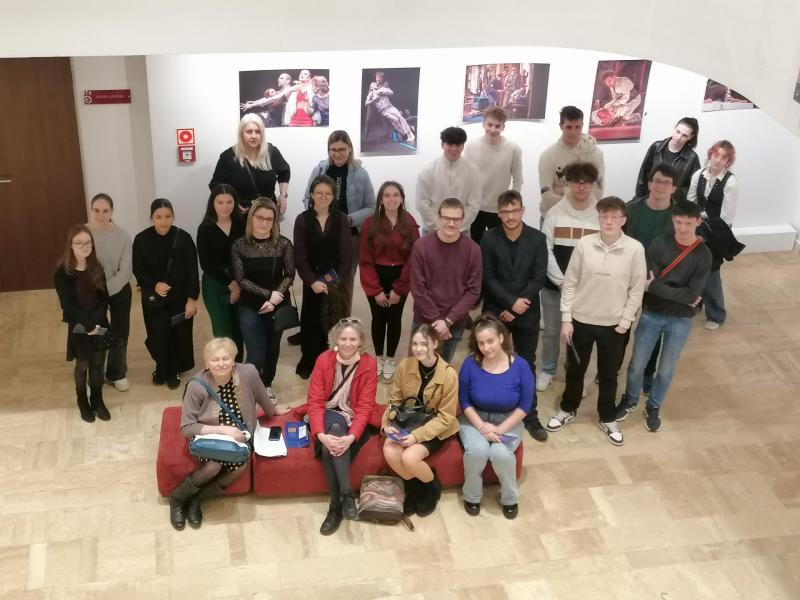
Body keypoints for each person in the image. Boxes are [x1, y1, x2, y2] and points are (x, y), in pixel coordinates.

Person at [546, 197, 646, 446]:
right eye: (604, 216)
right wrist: (567, 319)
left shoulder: (635, 249)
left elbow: (636, 290)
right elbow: (570, 283)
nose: (609, 221)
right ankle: (568, 408)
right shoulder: (584, 244)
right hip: (580, 320)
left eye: (614, 217)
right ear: (598, 218)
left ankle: (607, 417)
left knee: (609, 374)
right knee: (575, 370)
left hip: (614, 326)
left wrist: (625, 322)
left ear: (623, 220)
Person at [171, 337, 289, 530]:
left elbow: (261, 394)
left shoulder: (248, 372)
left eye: (225, 358)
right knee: (213, 467)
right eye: (215, 359)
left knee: (241, 464)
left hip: (241, 436)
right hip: (209, 435)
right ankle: (178, 498)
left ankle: (198, 501)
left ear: (233, 360)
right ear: (206, 363)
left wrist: (273, 410)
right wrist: (222, 430)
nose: (221, 364)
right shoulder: (196, 385)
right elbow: (187, 427)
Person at [616, 201, 712, 432]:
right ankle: (630, 399)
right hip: (652, 313)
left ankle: (654, 405)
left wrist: (657, 287)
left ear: (698, 222)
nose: (683, 228)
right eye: (679, 222)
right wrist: (679, 294)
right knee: (637, 365)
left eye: (688, 223)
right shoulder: (660, 243)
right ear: (673, 220)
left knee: (667, 369)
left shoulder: (704, 255)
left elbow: (691, 294)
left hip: (680, 319)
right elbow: (648, 281)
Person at [481, 190, 548, 441]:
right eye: (505, 212)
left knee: (526, 364)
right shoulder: (489, 238)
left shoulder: (538, 238)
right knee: (490, 361)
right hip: (497, 310)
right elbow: (487, 276)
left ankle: (530, 416)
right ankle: (489, 413)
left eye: (515, 210)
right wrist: (510, 304)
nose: (510, 216)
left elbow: (538, 277)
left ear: (522, 211)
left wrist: (518, 306)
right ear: (499, 213)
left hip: (527, 311)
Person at [306, 319, 378, 535]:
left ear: (360, 342)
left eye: (352, 339)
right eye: (343, 338)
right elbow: (315, 402)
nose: (347, 343)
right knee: (335, 429)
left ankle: (334, 507)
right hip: (327, 413)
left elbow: (365, 407)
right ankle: (347, 494)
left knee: (329, 451)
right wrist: (320, 435)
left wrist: (351, 437)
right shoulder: (323, 359)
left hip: (354, 417)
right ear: (335, 340)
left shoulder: (369, 363)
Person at [458, 314, 532, 519]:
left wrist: (499, 430)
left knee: (501, 454)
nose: (486, 347)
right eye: (481, 343)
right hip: (475, 418)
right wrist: (482, 427)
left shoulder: (521, 366)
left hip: (508, 419)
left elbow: (525, 406)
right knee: (477, 452)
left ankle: (510, 498)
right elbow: (464, 402)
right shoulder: (469, 364)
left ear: (501, 338)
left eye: (490, 341)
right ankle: (472, 496)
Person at [381, 324, 458, 517]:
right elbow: (394, 400)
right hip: (409, 422)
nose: (418, 348)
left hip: (436, 427)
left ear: (435, 343)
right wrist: (386, 424)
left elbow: (446, 417)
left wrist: (416, 437)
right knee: (389, 450)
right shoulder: (405, 365)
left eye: (424, 344)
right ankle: (414, 488)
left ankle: (432, 488)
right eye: (414, 344)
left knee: (409, 458)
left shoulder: (449, 374)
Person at [300, 130, 376, 319]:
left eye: (342, 149)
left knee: (343, 281)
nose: (337, 153)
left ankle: (341, 323)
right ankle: (316, 324)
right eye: (333, 149)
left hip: (348, 237)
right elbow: (307, 198)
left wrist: (348, 220)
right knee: (318, 279)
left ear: (350, 149)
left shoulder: (361, 174)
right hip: (320, 234)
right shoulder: (319, 170)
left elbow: (372, 207)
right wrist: (316, 218)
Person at [538, 162, 600, 392]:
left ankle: (576, 376)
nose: (581, 188)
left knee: (581, 335)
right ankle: (547, 369)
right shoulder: (554, 213)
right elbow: (545, 250)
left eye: (586, 183)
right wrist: (561, 282)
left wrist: (583, 284)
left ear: (593, 185)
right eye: (576, 182)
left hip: (587, 289)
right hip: (555, 286)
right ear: (567, 184)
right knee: (552, 331)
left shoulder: (600, 215)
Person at [619, 165, 680, 391]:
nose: (660, 186)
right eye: (657, 181)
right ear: (649, 183)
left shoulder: (678, 216)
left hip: (658, 282)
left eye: (666, 183)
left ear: (674, 188)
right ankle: (613, 366)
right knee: (621, 325)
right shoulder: (631, 209)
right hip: (628, 278)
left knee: (653, 330)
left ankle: (647, 372)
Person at [231, 199, 295, 401]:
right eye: (260, 217)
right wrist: (268, 295)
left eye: (269, 219)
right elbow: (241, 279)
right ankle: (249, 387)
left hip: (277, 304)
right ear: (251, 218)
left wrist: (275, 299)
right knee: (255, 350)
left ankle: (266, 384)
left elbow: (289, 274)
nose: (264, 222)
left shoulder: (284, 244)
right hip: (250, 305)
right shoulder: (239, 245)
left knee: (272, 348)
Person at [132, 199, 199, 389]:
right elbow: (138, 269)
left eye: (168, 216)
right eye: (158, 217)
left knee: (178, 334)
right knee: (158, 333)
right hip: (154, 297)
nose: (163, 221)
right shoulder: (141, 239)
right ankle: (161, 367)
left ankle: (173, 371)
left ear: (173, 217)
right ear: (151, 218)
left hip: (180, 297)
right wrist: (154, 285)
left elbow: (193, 271)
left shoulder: (183, 238)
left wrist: (192, 300)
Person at [294, 175, 354, 378]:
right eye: (319, 193)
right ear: (311, 194)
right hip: (312, 279)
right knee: (311, 320)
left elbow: (346, 255)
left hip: (335, 279)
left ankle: (332, 361)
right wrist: (312, 281)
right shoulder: (302, 219)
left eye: (328, 193)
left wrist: (334, 282)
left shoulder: (342, 219)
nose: (323, 196)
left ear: (333, 196)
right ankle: (309, 359)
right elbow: (300, 256)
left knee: (334, 322)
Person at [359, 181, 420, 381]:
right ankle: (378, 357)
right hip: (376, 275)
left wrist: (399, 289)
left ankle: (390, 359)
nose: (391, 199)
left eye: (396, 195)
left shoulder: (410, 222)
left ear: (402, 198)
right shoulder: (369, 223)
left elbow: (413, 258)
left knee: (394, 318)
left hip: (401, 276)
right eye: (387, 195)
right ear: (380, 199)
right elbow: (365, 259)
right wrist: (375, 290)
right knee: (378, 318)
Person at [410, 198, 482, 363]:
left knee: (442, 368)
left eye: (456, 219)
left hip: (454, 322)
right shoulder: (421, 246)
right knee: (415, 368)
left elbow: (473, 291)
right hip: (423, 319)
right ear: (438, 217)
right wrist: (437, 320)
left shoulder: (473, 250)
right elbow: (418, 289)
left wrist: (448, 321)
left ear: (462, 220)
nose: (451, 223)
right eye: (446, 218)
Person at [54, 224, 111, 423]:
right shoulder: (62, 273)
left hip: (99, 323)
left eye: (88, 242)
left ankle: (97, 398)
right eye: (79, 243)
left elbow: (104, 297)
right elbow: (68, 304)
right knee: (83, 364)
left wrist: (96, 322)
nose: (84, 246)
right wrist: (88, 326)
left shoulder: (96, 267)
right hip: (79, 326)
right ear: (71, 245)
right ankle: (82, 399)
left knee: (98, 363)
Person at [687, 140, 739, 330]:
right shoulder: (699, 175)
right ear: (710, 154)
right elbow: (690, 202)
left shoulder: (730, 182)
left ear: (728, 161)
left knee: (711, 272)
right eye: (715, 155)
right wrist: (691, 227)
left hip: (716, 232)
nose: (718, 160)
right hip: (696, 227)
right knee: (693, 268)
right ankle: (696, 302)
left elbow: (726, 218)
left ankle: (716, 314)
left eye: (723, 157)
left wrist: (705, 234)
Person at [87, 193, 132, 392]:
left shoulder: (122, 236)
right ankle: (94, 375)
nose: (101, 215)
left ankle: (117, 373)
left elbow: (126, 269)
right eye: (96, 210)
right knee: (96, 330)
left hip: (118, 288)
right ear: (91, 210)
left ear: (112, 212)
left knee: (120, 330)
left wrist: (107, 290)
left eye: (105, 211)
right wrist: (96, 290)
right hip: (91, 290)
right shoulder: (83, 233)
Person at [197, 184, 246, 360]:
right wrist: (230, 282)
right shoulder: (205, 228)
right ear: (213, 203)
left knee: (239, 329)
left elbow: (246, 256)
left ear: (235, 203)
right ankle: (225, 367)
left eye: (229, 202)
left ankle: (238, 366)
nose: (225, 207)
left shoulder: (242, 224)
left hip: (241, 281)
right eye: (220, 202)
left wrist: (238, 283)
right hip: (215, 283)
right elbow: (206, 264)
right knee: (222, 331)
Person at [463, 105, 523, 245]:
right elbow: (465, 176)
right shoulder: (471, 146)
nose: (493, 129)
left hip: (499, 209)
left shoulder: (513, 148)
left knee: (499, 247)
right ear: (483, 124)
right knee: (475, 246)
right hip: (475, 207)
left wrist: (512, 206)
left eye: (497, 126)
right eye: (490, 125)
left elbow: (518, 179)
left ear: (503, 127)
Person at [209, 114, 291, 213]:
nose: (254, 136)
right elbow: (215, 186)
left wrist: (283, 195)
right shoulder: (228, 157)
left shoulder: (271, 152)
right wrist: (231, 203)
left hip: (267, 213)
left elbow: (284, 172)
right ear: (241, 134)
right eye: (249, 132)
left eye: (258, 132)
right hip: (241, 214)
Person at [538, 106, 605, 219]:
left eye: (577, 127)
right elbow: (547, 196)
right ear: (561, 126)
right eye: (568, 127)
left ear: (582, 125)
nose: (573, 132)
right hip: (554, 218)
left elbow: (598, 192)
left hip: (586, 219)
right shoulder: (547, 156)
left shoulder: (596, 154)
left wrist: (562, 190)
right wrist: (581, 194)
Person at [415, 127, 482, 234]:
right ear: (442, 145)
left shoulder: (473, 171)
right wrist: (439, 226)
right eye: (450, 144)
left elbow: (474, 205)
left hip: (461, 231)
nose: (454, 149)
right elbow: (421, 203)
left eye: (458, 145)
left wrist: (456, 226)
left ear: (463, 146)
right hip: (432, 230)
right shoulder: (428, 171)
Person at [635, 117, 701, 202]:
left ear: (690, 137)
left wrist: (676, 195)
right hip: (649, 199)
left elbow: (692, 188)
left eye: (684, 135)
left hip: (673, 204)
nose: (679, 137)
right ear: (675, 128)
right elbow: (643, 175)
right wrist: (639, 199)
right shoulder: (656, 147)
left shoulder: (692, 158)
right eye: (678, 132)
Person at [364, 71, 415, 142]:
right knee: (395, 122)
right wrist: (373, 99)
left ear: (381, 78)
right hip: (383, 111)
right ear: (371, 87)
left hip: (389, 107)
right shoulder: (371, 94)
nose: (376, 82)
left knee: (400, 117)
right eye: (373, 84)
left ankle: (410, 135)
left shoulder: (382, 88)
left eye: (378, 79)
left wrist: (382, 91)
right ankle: (407, 133)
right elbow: (366, 103)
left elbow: (391, 92)